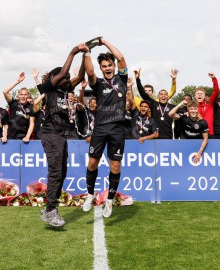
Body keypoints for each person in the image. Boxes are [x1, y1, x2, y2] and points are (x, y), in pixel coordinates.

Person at [38, 43, 87, 227]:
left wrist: (85, 54)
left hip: (61, 135)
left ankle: (51, 207)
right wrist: (72, 52)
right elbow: (61, 74)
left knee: (62, 172)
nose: (68, 79)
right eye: (64, 77)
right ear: (55, 77)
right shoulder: (49, 88)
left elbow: (81, 75)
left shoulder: (66, 90)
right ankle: (50, 209)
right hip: (51, 134)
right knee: (56, 172)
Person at [81, 37, 128, 218]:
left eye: (110, 65)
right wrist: (87, 51)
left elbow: (122, 57)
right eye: (104, 66)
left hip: (117, 129)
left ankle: (109, 199)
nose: (107, 68)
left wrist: (104, 41)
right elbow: (89, 71)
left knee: (115, 166)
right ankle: (90, 194)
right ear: (101, 68)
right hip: (100, 128)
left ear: (114, 66)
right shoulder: (98, 83)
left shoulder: (122, 79)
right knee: (92, 162)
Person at [135, 69, 176, 139]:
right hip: (144, 131)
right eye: (145, 91)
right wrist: (137, 80)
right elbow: (130, 96)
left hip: (160, 133)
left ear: (153, 92)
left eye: (149, 90)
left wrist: (174, 80)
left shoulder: (157, 102)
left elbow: (171, 92)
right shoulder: (138, 101)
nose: (147, 92)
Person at [3, 73, 35, 142]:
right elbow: (5, 91)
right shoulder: (13, 103)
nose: (23, 96)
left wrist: (27, 137)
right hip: (11, 137)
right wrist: (17, 81)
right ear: (18, 95)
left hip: (23, 138)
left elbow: (31, 123)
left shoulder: (31, 107)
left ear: (28, 96)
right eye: (21, 94)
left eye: (25, 94)